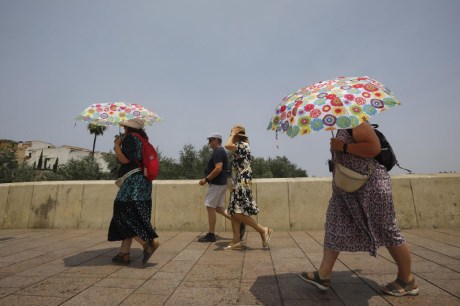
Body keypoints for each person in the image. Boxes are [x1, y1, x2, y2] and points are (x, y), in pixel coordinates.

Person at [297, 121, 419, 297]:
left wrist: (343, 147)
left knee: (387, 230)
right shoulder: (343, 125)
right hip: (347, 190)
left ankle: (407, 279)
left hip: (371, 186)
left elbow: (373, 148)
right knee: (334, 224)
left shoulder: (356, 122)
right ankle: (323, 274)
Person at [108, 118, 159, 266]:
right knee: (133, 215)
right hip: (144, 183)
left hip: (133, 183)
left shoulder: (130, 139)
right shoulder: (142, 139)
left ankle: (147, 244)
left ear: (129, 128)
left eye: (124, 127)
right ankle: (124, 253)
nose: (123, 129)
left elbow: (124, 160)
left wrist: (117, 146)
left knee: (122, 213)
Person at [224, 125, 272, 250]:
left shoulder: (242, 145)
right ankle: (236, 240)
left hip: (242, 181)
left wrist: (232, 134)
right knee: (234, 212)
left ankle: (262, 229)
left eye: (232, 133)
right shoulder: (241, 146)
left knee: (237, 212)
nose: (230, 135)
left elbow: (227, 145)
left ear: (237, 135)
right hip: (238, 181)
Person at [198, 133, 246, 242]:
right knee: (219, 209)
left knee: (210, 207)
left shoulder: (218, 151)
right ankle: (240, 222)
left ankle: (211, 234)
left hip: (216, 184)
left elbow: (218, 168)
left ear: (216, 140)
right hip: (222, 183)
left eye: (210, 140)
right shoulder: (220, 151)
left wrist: (206, 179)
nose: (209, 142)